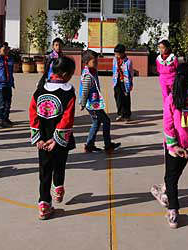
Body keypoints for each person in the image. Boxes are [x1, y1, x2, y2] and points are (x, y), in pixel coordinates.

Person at [151, 62, 188, 229]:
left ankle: (173, 210)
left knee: (171, 177)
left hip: (174, 146)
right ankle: (165, 191)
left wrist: (173, 146)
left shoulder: (171, 99)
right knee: (175, 173)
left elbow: (168, 125)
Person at [29, 56, 77, 220]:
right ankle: (58, 187)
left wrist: (38, 138)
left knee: (44, 171)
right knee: (60, 165)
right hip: (59, 140)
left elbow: (33, 114)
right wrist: (56, 139)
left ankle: (44, 204)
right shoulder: (68, 92)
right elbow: (67, 118)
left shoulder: (40, 90)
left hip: (43, 139)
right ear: (65, 74)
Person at [79, 50, 121, 153]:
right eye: (94, 62)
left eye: (97, 61)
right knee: (106, 121)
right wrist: (82, 103)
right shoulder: (88, 76)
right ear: (86, 62)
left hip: (94, 103)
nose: (96, 64)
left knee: (96, 122)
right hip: (92, 104)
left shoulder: (92, 71)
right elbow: (85, 91)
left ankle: (90, 145)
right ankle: (107, 145)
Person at [112, 44, 134, 122]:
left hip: (125, 82)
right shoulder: (115, 60)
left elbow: (131, 73)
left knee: (126, 98)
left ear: (123, 53)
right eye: (115, 54)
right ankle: (120, 114)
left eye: (118, 54)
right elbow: (114, 70)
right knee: (118, 98)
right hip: (117, 81)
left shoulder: (128, 62)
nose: (116, 56)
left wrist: (130, 83)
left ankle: (127, 115)